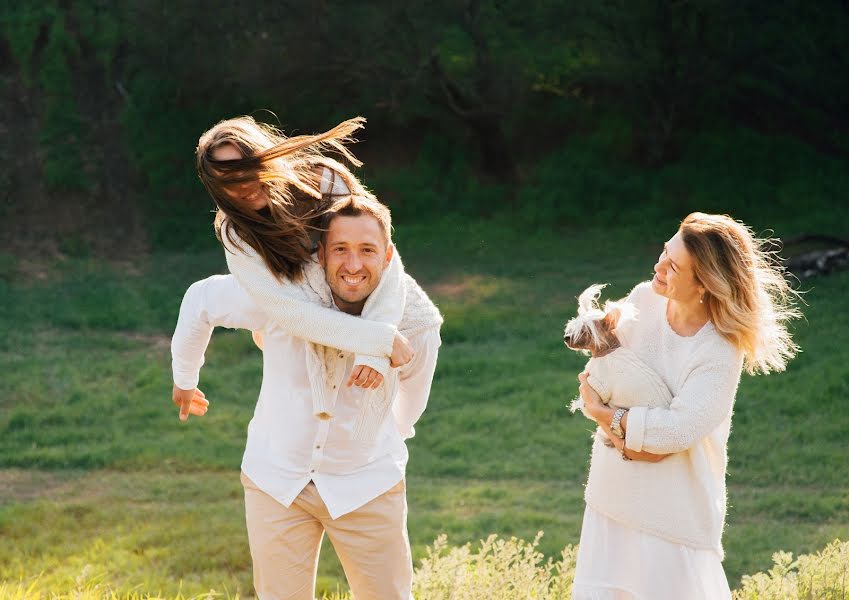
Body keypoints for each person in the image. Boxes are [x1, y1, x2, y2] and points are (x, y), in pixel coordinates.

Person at [171, 194, 442, 599]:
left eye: (367, 251)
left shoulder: (415, 322)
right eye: (340, 250)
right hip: (276, 481)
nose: (353, 264)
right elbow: (202, 300)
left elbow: (410, 404)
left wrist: (371, 445)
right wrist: (185, 379)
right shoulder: (284, 299)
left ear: (387, 257)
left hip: (367, 486)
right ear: (320, 254)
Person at [571, 212, 801, 600]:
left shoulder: (718, 350)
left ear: (705, 284)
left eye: (673, 265)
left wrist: (604, 417)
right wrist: (630, 433)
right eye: (664, 252)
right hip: (613, 499)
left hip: (673, 518)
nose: (658, 266)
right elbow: (610, 374)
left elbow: (678, 430)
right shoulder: (644, 298)